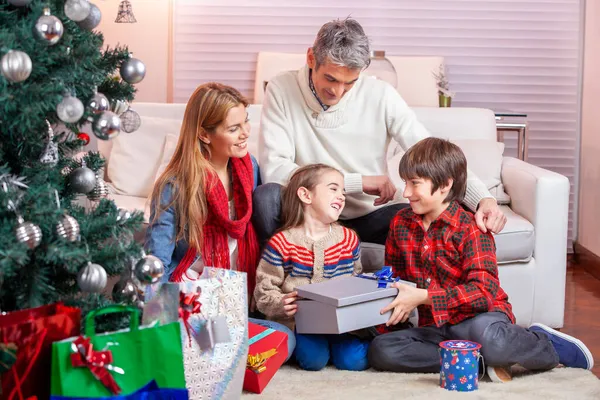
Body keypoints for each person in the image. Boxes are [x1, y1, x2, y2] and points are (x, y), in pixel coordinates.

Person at [253, 17, 507, 247]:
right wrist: (356, 182)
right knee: (267, 198)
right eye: (331, 79)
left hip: (369, 216)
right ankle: (284, 269)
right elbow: (275, 169)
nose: (338, 92)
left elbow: (434, 154)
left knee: (422, 215)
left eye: (349, 82)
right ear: (311, 58)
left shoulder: (380, 94)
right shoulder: (281, 89)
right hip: (307, 217)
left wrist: (484, 199)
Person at [367, 137, 593, 382]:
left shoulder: (470, 228)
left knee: (492, 341)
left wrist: (425, 297)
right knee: (381, 349)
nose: (406, 192)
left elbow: (483, 292)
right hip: (437, 328)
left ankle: (544, 344)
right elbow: (397, 280)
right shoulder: (401, 223)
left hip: (480, 320)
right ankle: (477, 360)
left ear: (444, 184)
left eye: (415, 184)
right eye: (405, 183)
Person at [145, 82, 295, 359]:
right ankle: (204, 349)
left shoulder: (249, 167)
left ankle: (214, 350)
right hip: (196, 293)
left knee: (285, 340)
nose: (245, 133)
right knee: (270, 342)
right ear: (204, 134)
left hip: (237, 292)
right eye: (233, 128)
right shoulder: (175, 185)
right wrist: (158, 321)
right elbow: (157, 260)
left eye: (245, 122)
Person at [254, 164, 370, 371]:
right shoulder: (282, 242)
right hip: (301, 323)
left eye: (343, 191)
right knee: (313, 361)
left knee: (354, 361)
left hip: (340, 324)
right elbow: (263, 292)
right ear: (305, 195)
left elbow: (356, 279)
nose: (342, 196)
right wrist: (280, 304)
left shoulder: (348, 239)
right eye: (333, 189)